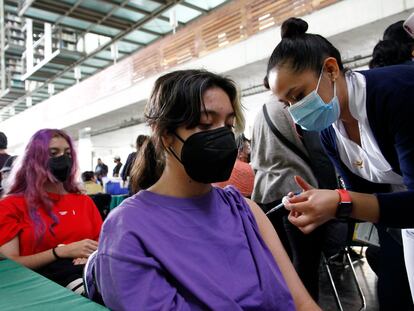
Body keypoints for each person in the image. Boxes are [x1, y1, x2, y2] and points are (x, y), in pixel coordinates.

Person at [93, 70, 320, 310]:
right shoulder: (128, 229)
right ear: (165, 134)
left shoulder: (246, 210)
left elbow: (302, 302)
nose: (222, 137)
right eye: (204, 124)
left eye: (229, 125)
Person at [265, 17, 414, 310]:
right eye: (287, 104)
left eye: (298, 96)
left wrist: (340, 202)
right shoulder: (330, 132)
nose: (296, 111)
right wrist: (320, 206)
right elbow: (368, 201)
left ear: (331, 70)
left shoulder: (399, 94)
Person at [250, 96, 345, 300]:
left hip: (266, 193)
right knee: (306, 264)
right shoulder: (294, 109)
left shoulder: (260, 114)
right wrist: (329, 192)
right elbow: (318, 153)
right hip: (298, 189)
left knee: (280, 266)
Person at [0, 129, 103, 292]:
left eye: (68, 154)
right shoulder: (11, 206)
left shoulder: (84, 202)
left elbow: (100, 245)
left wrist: (87, 256)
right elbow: (10, 264)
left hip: (89, 275)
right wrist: (59, 252)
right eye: (53, 153)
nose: (63, 159)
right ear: (34, 160)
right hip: (36, 289)